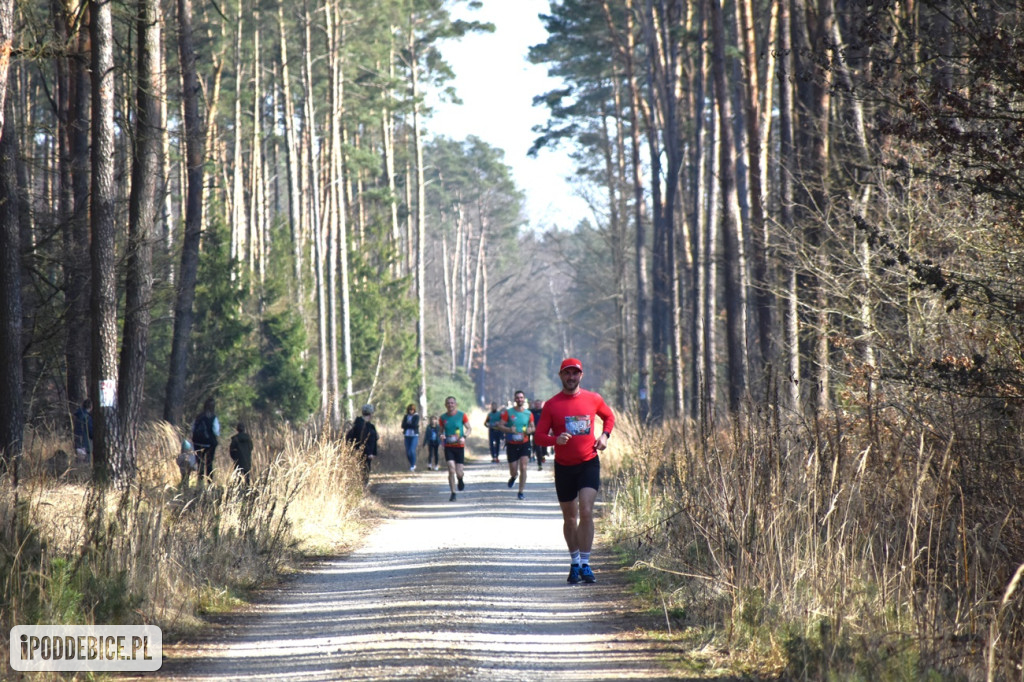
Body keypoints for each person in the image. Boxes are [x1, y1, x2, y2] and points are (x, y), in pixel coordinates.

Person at [534, 358, 615, 585]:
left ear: (581, 375)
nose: (571, 377)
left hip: (588, 462)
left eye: (575, 373)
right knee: (570, 518)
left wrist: (605, 436)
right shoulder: (552, 405)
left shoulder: (593, 398)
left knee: (587, 511)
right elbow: (539, 436)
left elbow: (609, 417)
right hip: (564, 467)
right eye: (567, 373)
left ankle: (586, 565)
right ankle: (574, 562)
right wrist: (555, 439)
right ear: (561, 376)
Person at [498, 390, 534, 500]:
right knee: (513, 470)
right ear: (515, 399)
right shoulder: (508, 413)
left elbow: (533, 427)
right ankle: (514, 476)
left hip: (524, 443)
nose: (519, 399)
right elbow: (500, 426)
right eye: (517, 398)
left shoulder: (529, 413)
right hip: (512, 444)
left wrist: (530, 430)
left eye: (521, 397)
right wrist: (509, 429)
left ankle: (521, 491)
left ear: (524, 399)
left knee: (523, 466)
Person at [439, 396, 471, 501]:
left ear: (455, 404)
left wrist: (464, 437)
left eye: (452, 403)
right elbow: (441, 431)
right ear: (445, 405)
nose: (450, 405)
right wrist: (441, 436)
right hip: (448, 446)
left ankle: (460, 479)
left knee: (459, 472)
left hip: (459, 446)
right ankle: (453, 493)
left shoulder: (462, 415)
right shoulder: (443, 418)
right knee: (451, 469)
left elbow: (469, 428)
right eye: (448, 403)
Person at [345, 404, 379, 487]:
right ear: (370, 413)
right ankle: (361, 488)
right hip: (362, 453)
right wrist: (368, 453)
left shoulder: (368, 425)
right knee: (363, 470)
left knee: (365, 470)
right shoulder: (361, 425)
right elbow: (362, 441)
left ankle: (362, 487)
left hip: (366, 453)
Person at [191, 398, 220, 483]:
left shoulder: (198, 417)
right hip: (209, 444)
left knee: (200, 464)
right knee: (209, 463)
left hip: (197, 443)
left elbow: (192, 429)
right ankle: (209, 483)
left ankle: (199, 483)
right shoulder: (213, 418)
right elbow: (216, 431)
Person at [72, 398, 94, 463]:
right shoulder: (87, 418)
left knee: (79, 464)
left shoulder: (77, 416)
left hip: (77, 442)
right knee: (86, 464)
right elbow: (91, 432)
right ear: (91, 407)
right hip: (85, 444)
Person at [401, 403, 420, 471]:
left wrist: (408, 424)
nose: (411, 411)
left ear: (414, 410)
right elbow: (403, 425)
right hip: (407, 435)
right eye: (409, 410)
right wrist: (409, 425)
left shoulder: (416, 416)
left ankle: (412, 465)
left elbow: (415, 425)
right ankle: (412, 463)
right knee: (407, 452)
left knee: (412, 450)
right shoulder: (406, 416)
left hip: (414, 435)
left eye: (412, 410)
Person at [529, 398, 547, 470]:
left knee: (543, 445)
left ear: (541, 404)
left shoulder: (544, 411)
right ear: (534, 404)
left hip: (543, 430)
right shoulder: (532, 411)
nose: (537, 405)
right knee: (537, 447)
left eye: (539, 404)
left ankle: (543, 455)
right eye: (536, 404)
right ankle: (539, 463)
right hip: (534, 431)